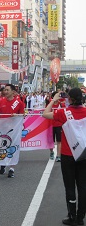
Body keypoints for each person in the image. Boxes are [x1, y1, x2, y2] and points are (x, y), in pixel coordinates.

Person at [43, 88, 86, 226]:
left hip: (68, 154)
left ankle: (72, 216)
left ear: (70, 99)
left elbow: (45, 114)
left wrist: (54, 100)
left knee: (69, 187)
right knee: (83, 187)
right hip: (84, 154)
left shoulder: (63, 112)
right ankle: (81, 217)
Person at [0, 84, 25, 178]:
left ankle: (12, 168)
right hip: (3, 128)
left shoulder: (19, 103)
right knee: (1, 146)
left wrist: (16, 115)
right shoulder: (1, 102)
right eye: (5, 90)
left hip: (14, 129)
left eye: (8, 90)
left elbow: (22, 115)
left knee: (13, 147)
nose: (6, 92)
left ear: (13, 91)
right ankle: (3, 164)